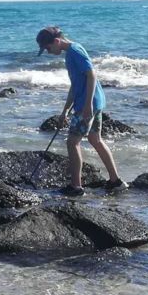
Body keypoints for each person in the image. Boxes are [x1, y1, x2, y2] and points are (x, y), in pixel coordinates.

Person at [37, 26, 128, 196]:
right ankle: (116, 182)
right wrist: (64, 111)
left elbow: (92, 75)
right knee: (95, 139)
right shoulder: (71, 52)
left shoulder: (75, 52)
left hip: (89, 104)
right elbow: (76, 85)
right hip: (95, 101)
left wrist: (87, 106)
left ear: (56, 41)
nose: (48, 52)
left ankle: (76, 187)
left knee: (72, 142)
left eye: (48, 48)